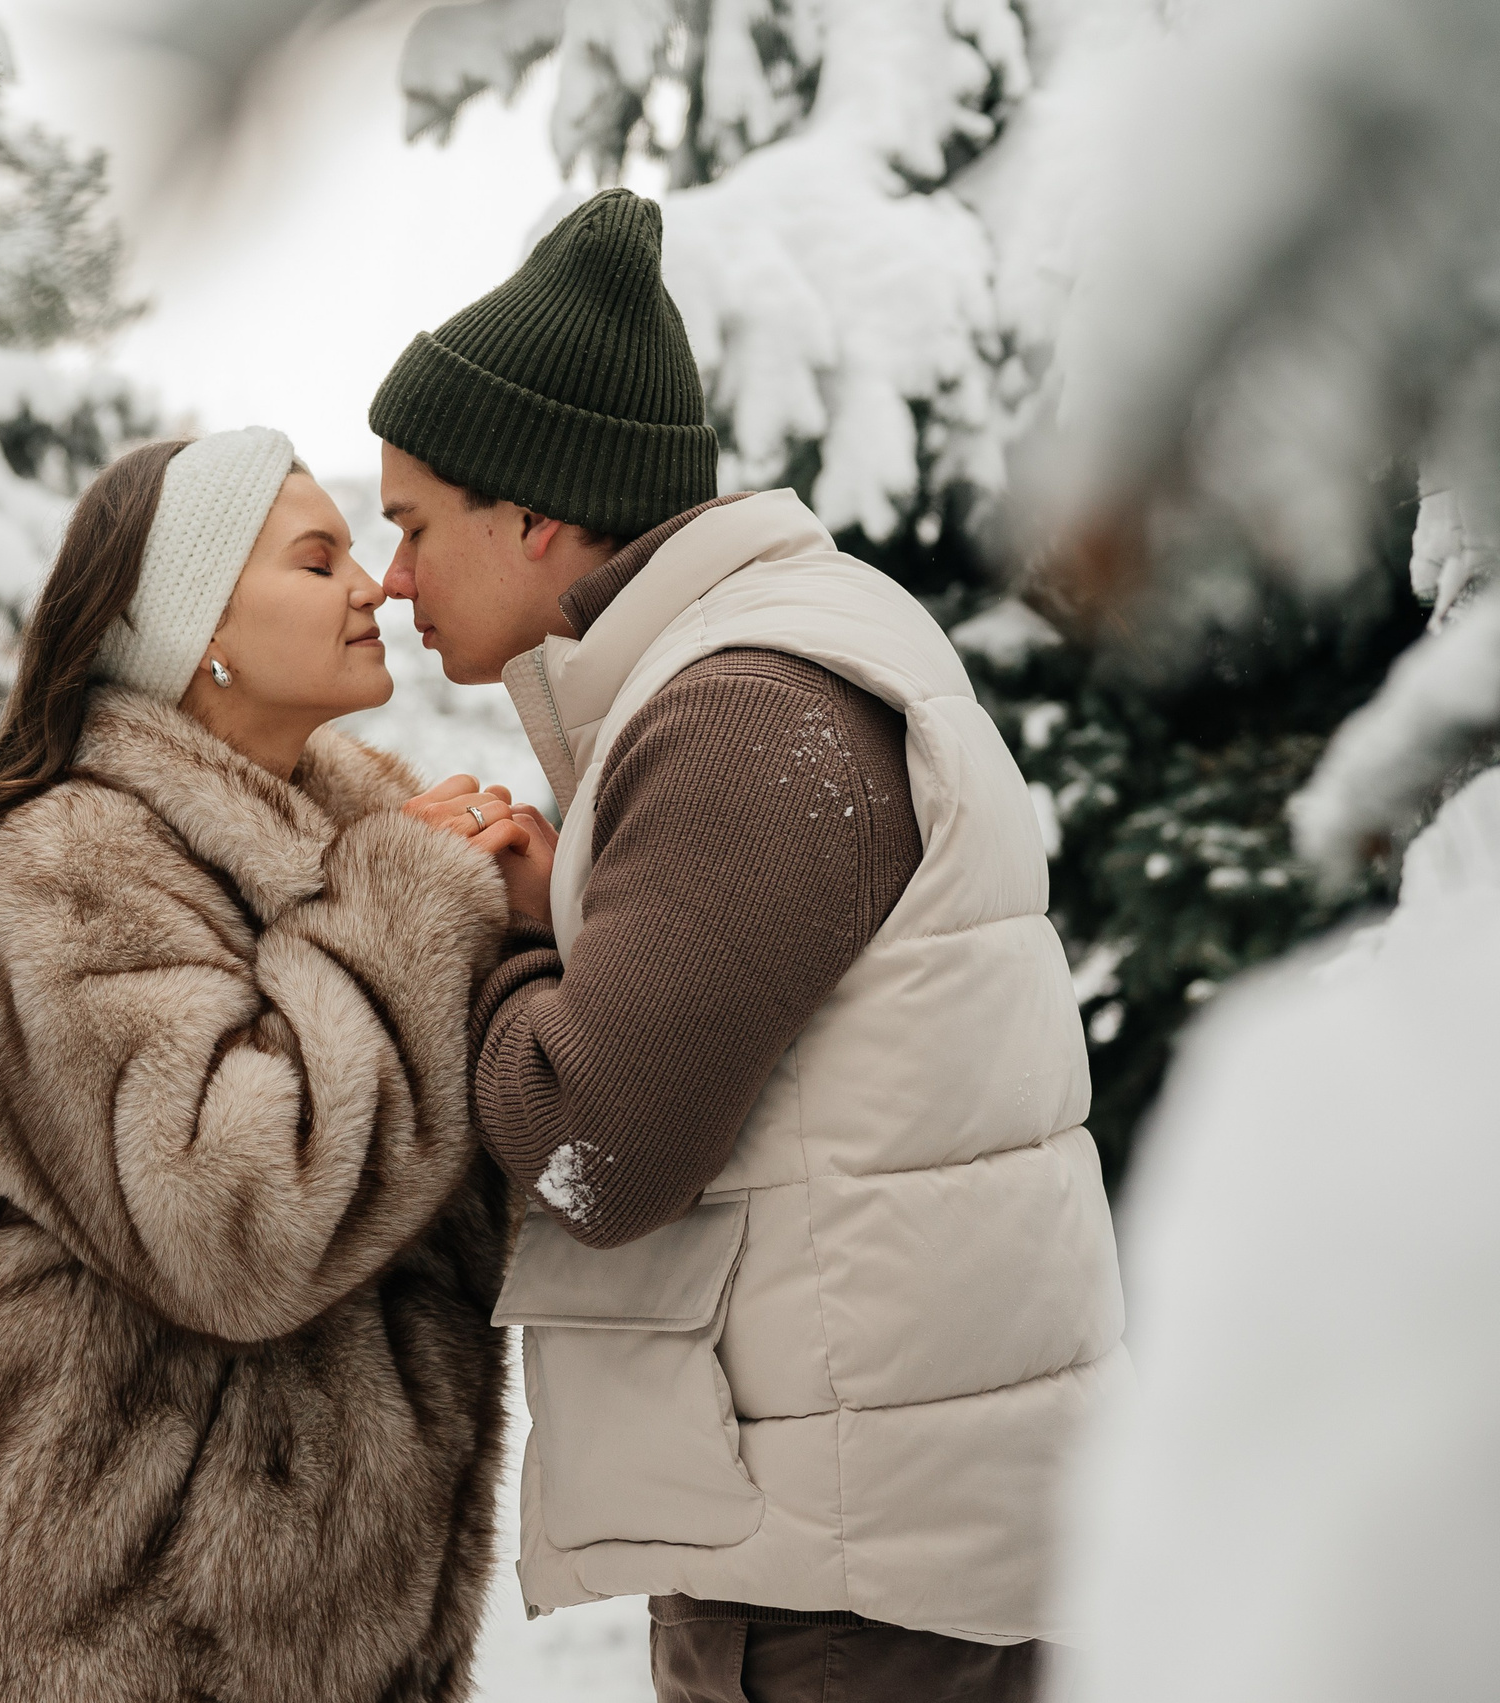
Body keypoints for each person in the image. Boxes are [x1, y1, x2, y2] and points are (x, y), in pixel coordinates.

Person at [369, 189, 1129, 1702]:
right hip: (890, 1542)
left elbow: (596, 1151)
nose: (392, 581)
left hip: (860, 1593)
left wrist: (500, 949)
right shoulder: (785, 660)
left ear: (533, 516)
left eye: (408, 526)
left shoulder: (740, 709)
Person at [0, 429, 528, 1703]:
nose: (371, 585)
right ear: (195, 624)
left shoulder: (361, 845)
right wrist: (408, 909)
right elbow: (233, 1212)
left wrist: (525, 928)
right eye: (318, 559)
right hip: (84, 1627)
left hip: (298, 1636)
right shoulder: (75, 864)